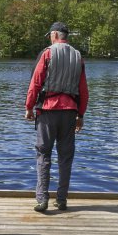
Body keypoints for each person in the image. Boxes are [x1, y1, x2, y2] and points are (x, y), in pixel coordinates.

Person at [24, 21, 88, 212]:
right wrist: (81, 115)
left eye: (50, 36)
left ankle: (42, 199)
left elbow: (36, 83)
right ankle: (61, 200)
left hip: (48, 111)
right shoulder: (78, 56)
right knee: (65, 157)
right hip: (69, 112)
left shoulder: (48, 53)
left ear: (54, 35)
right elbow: (83, 91)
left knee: (44, 154)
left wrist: (28, 107)